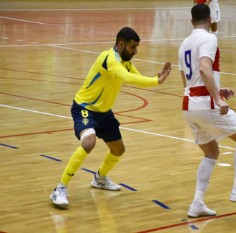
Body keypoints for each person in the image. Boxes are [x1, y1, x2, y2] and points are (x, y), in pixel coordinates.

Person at [50, 27, 172, 208]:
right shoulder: (109, 58)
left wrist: (156, 77)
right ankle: (60, 188)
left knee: (118, 150)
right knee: (89, 142)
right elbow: (127, 78)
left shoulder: (126, 61)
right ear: (121, 44)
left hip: (104, 112)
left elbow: (136, 77)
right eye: (133, 48)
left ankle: (99, 179)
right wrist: (156, 81)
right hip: (84, 108)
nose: (135, 52)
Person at [178, 4, 236, 218]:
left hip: (189, 105)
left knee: (211, 152)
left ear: (191, 21)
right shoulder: (209, 38)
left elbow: (188, 80)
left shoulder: (184, 44)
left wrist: (216, 88)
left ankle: (197, 203)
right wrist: (217, 98)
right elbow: (204, 69)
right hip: (206, 103)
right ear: (210, 19)